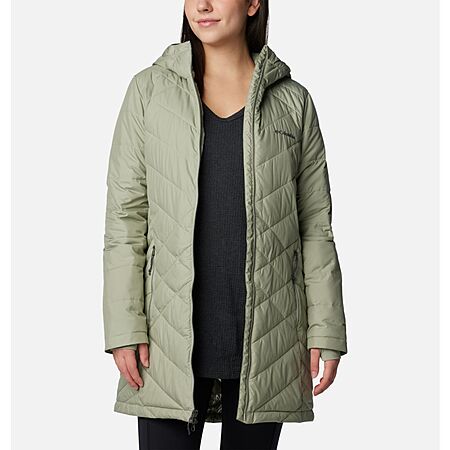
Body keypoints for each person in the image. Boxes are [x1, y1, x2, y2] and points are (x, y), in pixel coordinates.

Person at [102, 1, 348, 449]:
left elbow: (315, 227)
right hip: (165, 343)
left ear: (253, 3)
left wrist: (326, 330)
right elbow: (125, 220)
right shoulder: (149, 92)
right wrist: (124, 327)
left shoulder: (292, 103)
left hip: (268, 338)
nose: (202, 5)